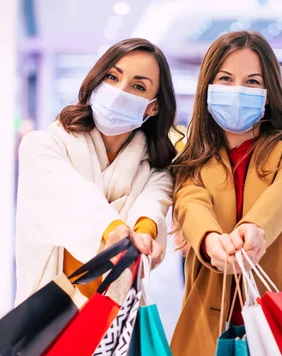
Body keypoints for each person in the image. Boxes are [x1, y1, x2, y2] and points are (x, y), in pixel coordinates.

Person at [169, 31, 282, 356]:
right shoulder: (192, 164)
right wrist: (210, 241)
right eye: (226, 79)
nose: (238, 90)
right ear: (208, 87)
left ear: (268, 92)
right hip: (212, 331)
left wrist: (255, 227)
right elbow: (191, 204)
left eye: (252, 81)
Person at [14, 38, 177, 306]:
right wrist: (111, 229)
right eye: (112, 77)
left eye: (138, 86)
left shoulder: (155, 170)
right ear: (97, 81)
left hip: (115, 324)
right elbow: (68, 195)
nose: (119, 91)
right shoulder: (43, 146)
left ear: (153, 106)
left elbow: (152, 206)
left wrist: (144, 233)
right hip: (48, 318)